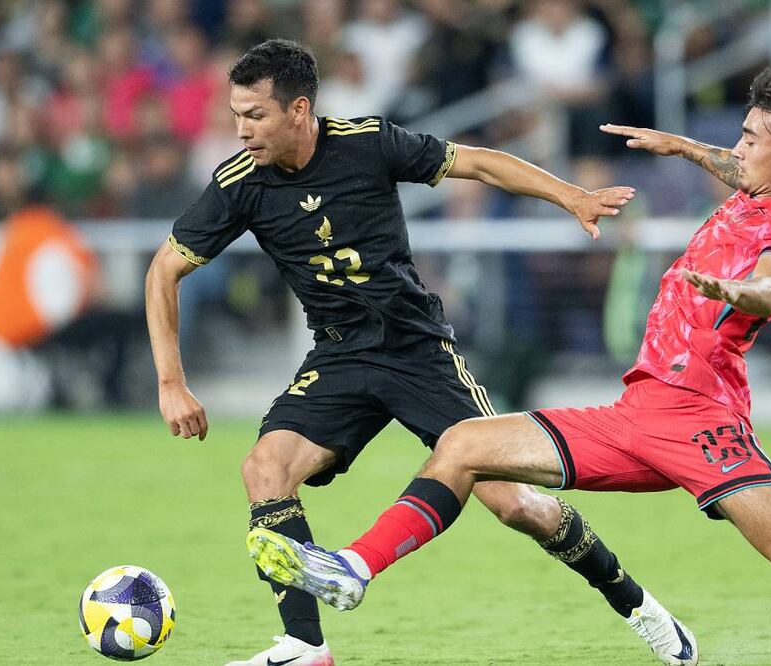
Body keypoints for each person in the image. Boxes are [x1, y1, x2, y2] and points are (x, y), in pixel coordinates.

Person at [248, 69, 771, 666]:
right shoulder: (761, 183)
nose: (736, 149)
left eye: (749, 139)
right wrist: (683, 147)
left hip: (703, 420)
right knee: (461, 444)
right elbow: (738, 169)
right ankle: (353, 568)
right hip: (635, 413)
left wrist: (738, 291)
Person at [145, 39, 696, 666]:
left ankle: (642, 609)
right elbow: (164, 270)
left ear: (300, 110)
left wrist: (570, 195)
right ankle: (304, 647)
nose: (241, 130)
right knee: (263, 471)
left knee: (515, 505)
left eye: (255, 115)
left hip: (417, 351)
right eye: (236, 114)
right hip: (340, 357)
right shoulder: (239, 183)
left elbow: (481, 163)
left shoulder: (368, 141)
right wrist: (171, 382)